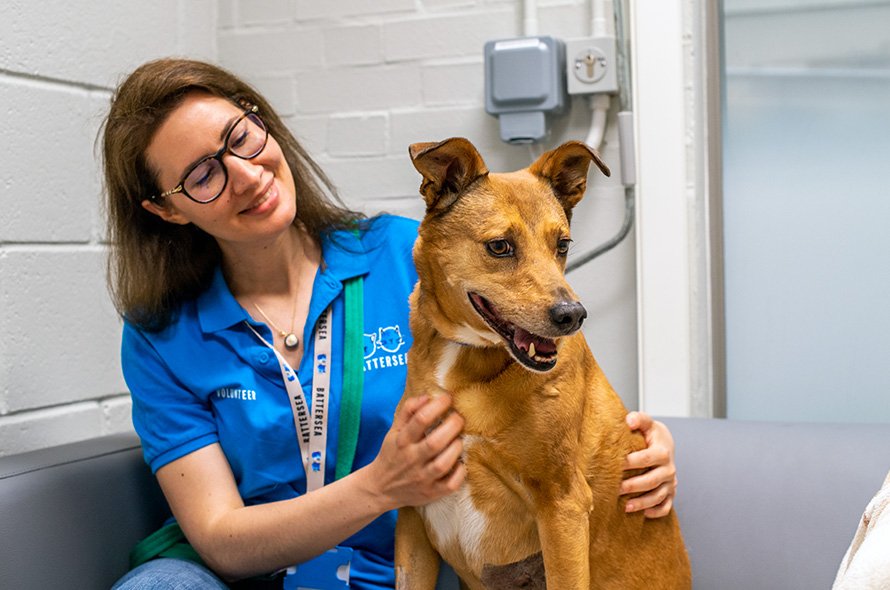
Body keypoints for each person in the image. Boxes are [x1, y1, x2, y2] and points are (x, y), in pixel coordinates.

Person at [103, 58, 680, 590]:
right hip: (247, 576)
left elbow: (558, 384)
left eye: (241, 137)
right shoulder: (160, 335)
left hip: (380, 575)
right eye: (203, 174)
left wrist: (633, 449)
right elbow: (220, 539)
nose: (248, 175)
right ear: (166, 208)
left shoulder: (414, 261)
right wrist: (380, 485)